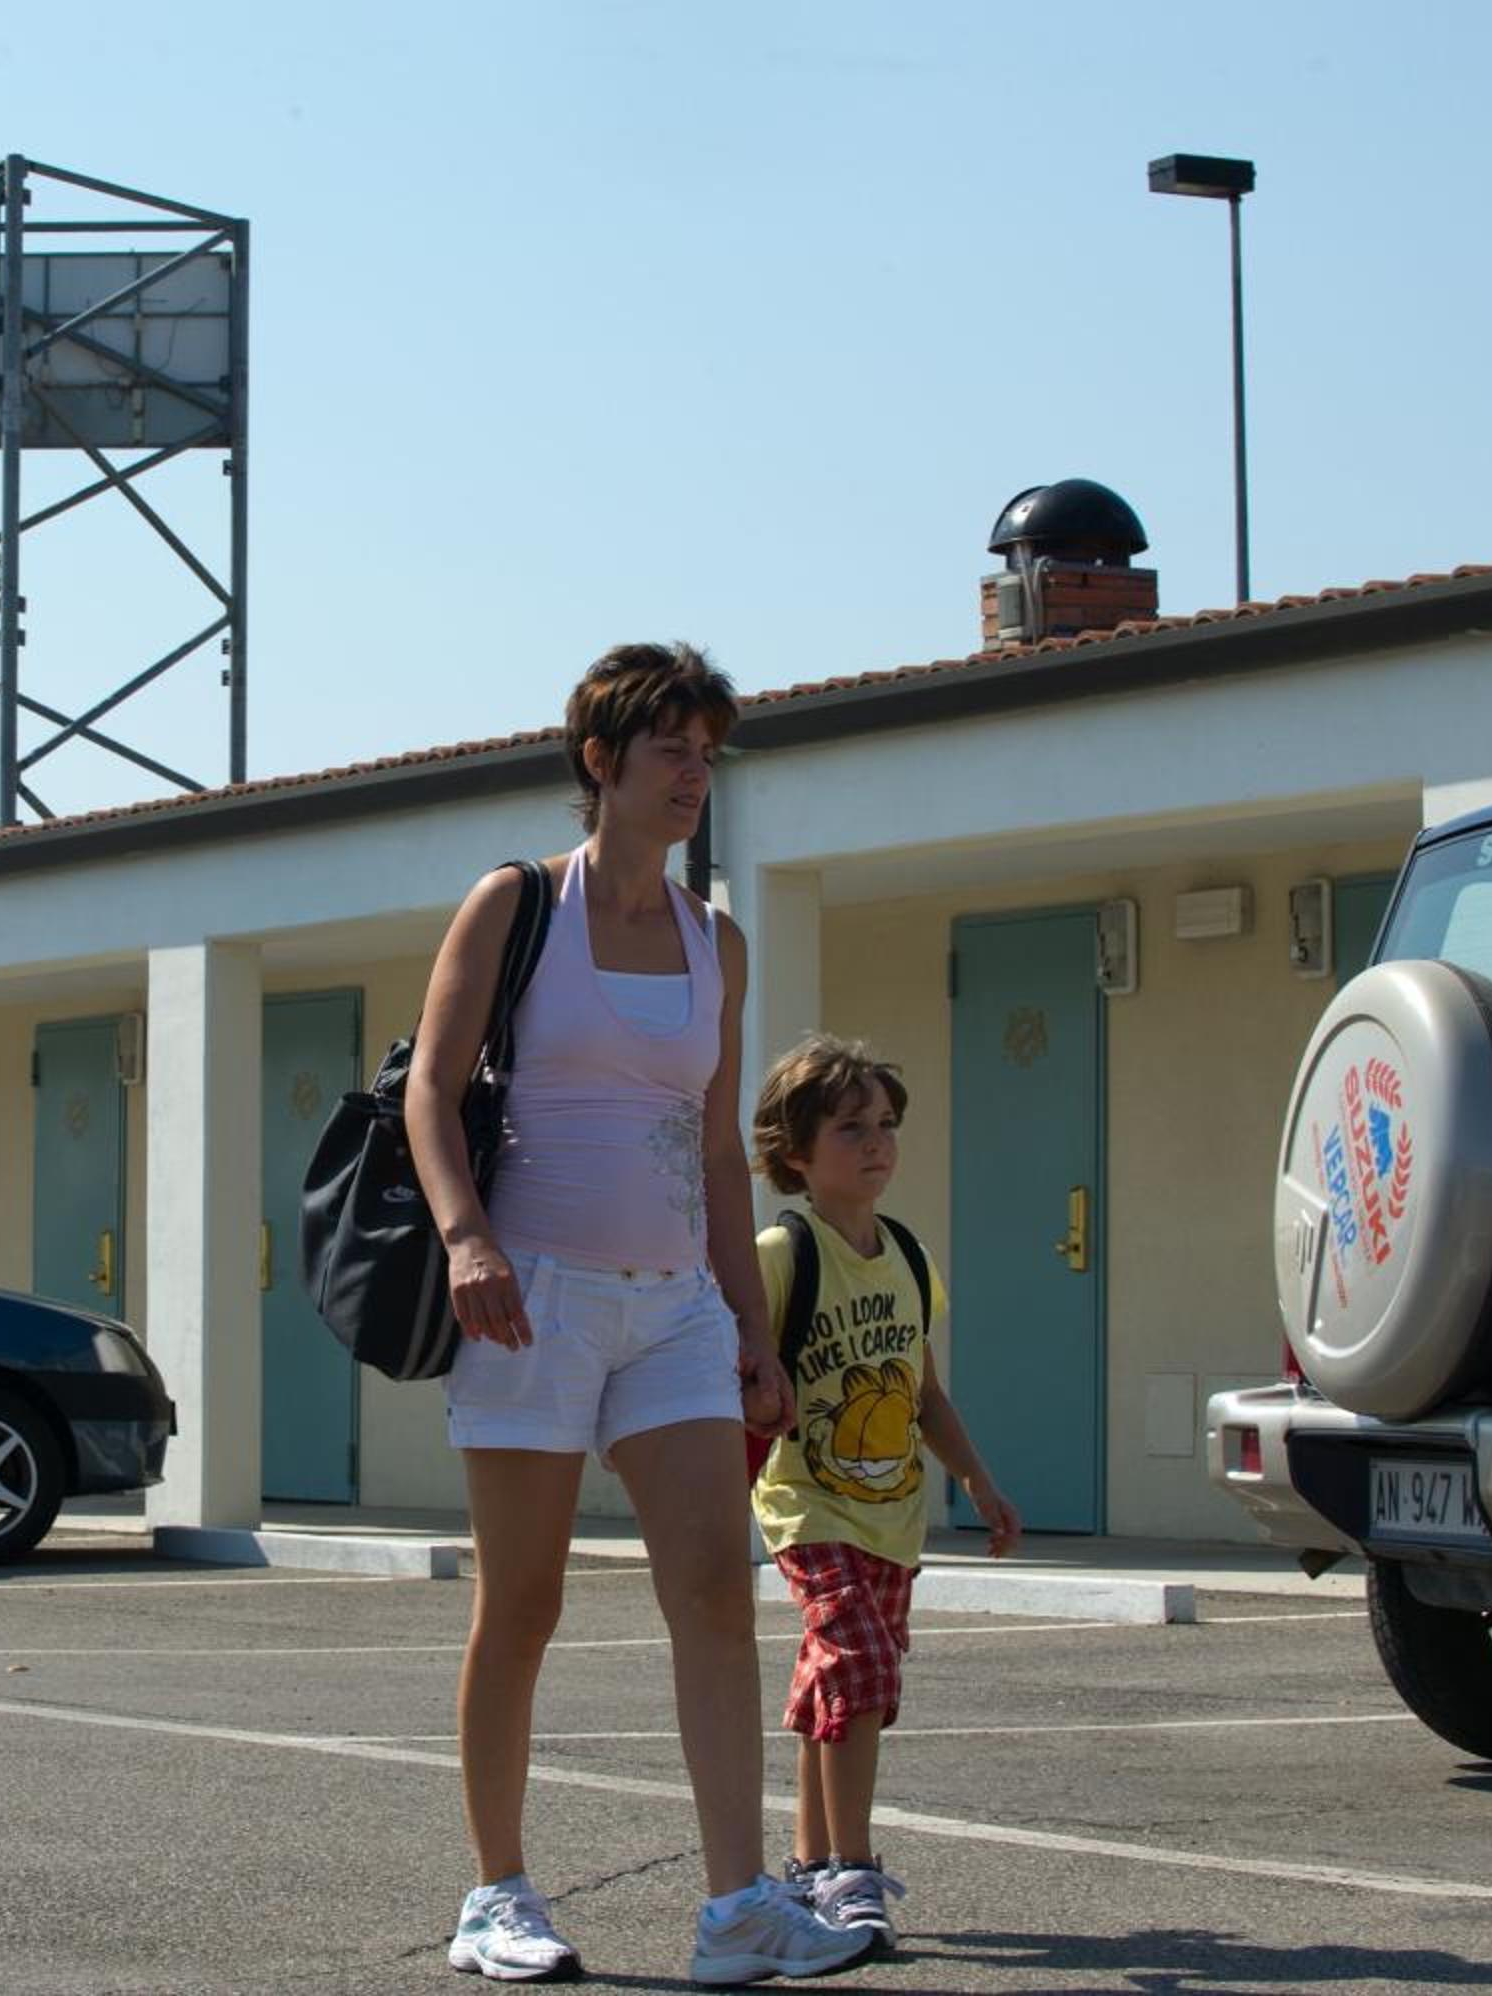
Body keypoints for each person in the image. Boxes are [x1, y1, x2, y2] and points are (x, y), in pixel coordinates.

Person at [409, 642, 864, 1986]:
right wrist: (467, 1239)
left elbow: (718, 1152)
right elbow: (431, 1089)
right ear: (601, 760)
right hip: (530, 1299)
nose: (694, 774)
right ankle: (496, 1893)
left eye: (708, 753)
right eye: (672, 748)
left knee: (717, 1588)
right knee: (523, 1602)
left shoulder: (716, 940)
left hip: (674, 1307)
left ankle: (738, 1910)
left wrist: (753, 1330)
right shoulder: (515, 905)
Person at [747, 1035, 1023, 1958]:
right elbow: (734, 1364)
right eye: (850, 1127)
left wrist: (976, 1478)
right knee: (860, 1663)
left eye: (886, 1124)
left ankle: (808, 1863)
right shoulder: (782, 1254)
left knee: (836, 1680)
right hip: (808, 1504)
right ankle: (853, 1871)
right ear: (795, 1152)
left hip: (891, 1514)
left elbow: (923, 1390)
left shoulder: (906, 1255)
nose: (876, 1143)